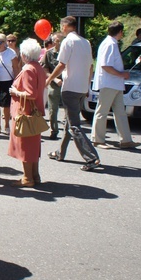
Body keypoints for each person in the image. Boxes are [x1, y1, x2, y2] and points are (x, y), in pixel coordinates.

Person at [46, 16, 101, 171]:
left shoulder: (67, 42)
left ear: (64, 26)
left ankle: (91, 157)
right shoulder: (85, 42)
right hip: (82, 88)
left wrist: (49, 78)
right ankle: (60, 153)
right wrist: (87, 86)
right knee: (69, 123)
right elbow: (90, 67)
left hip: (70, 87)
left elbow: (62, 64)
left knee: (74, 125)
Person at [91, 22, 141, 150]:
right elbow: (105, 65)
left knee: (120, 112)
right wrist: (121, 74)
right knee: (102, 111)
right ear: (120, 32)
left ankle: (125, 140)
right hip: (110, 83)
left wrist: (120, 75)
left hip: (114, 83)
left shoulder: (110, 43)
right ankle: (97, 139)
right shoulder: (110, 44)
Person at [8, 39, 47, 187]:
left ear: (24, 54)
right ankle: (34, 176)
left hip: (26, 113)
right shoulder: (38, 67)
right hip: (34, 113)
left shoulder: (28, 69)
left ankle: (27, 178)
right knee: (33, 146)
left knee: (25, 147)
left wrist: (15, 91)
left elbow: (31, 94)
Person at [0, 33, 19, 135]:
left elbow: (16, 68)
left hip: (8, 81)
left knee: (6, 105)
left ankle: (7, 125)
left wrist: (16, 82)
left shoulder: (11, 53)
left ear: (4, 43)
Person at [40, 33, 64, 140]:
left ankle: (69, 130)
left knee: (69, 108)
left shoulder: (69, 52)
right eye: (55, 41)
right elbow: (45, 69)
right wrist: (54, 79)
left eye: (59, 41)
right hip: (54, 84)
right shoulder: (49, 53)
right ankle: (54, 130)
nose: (56, 43)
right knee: (53, 109)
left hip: (68, 84)